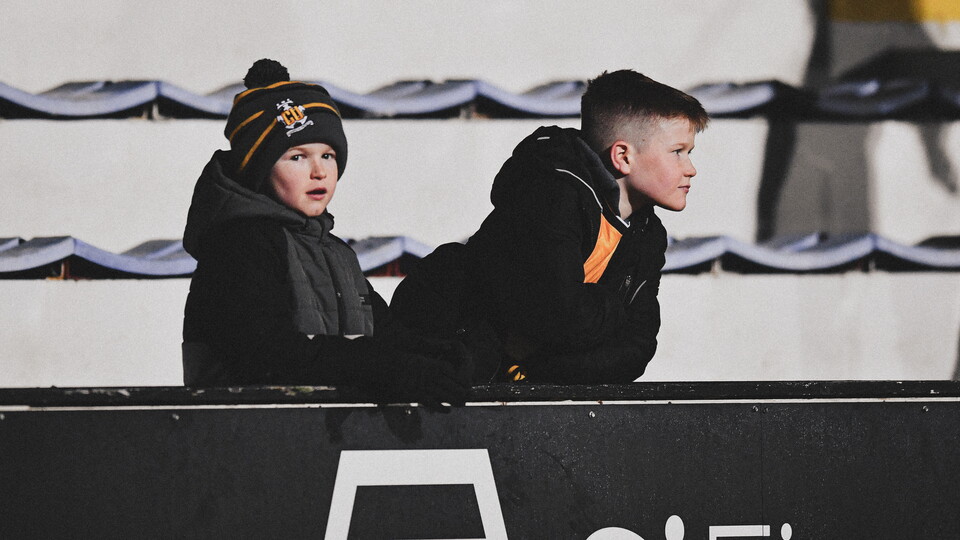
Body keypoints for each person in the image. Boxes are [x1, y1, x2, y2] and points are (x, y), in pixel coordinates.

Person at [390, 70, 708, 384]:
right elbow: (558, 315)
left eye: (689, 153)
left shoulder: (648, 234)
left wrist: (538, 369)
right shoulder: (551, 193)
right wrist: (613, 306)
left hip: (524, 387)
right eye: (677, 152)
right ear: (623, 156)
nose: (690, 169)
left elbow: (636, 349)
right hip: (453, 375)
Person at [181, 59, 470, 405]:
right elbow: (267, 355)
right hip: (236, 438)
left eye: (329, 155)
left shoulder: (334, 251)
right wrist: (384, 368)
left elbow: (385, 335)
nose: (319, 171)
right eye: (297, 157)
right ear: (258, 167)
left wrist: (444, 357)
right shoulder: (237, 246)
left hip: (315, 441)